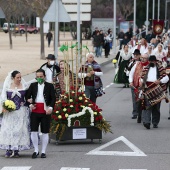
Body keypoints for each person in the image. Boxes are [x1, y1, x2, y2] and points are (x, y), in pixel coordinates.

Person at [25, 69, 56, 158]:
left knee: (45, 131)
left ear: (44, 76)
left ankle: (43, 151)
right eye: (37, 77)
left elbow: (53, 98)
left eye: (41, 77)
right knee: (34, 131)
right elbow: (27, 97)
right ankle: (36, 150)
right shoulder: (33, 85)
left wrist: (50, 107)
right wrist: (30, 104)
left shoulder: (49, 86)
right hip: (35, 110)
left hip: (45, 110)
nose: (39, 78)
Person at [0, 70, 31, 158]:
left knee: (19, 130)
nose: (19, 79)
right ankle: (9, 149)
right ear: (13, 78)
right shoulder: (7, 86)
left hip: (21, 111)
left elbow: (27, 97)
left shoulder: (24, 85)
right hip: (10, 112)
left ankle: (16, 149)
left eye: (20, 77)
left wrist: (28, 101)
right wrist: (5, 106)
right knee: (9, 129)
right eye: (17, 77)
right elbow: (3, 98)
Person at [140, 55, 169, 129]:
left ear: (155, 61)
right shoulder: (145, 68)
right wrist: (143, 83)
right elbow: (141, 78)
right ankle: (147, 122)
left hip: (157, 89)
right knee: (147, 106)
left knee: (156, 107)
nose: (151, 62)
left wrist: (160, 81)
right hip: (148, 89)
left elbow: (166, 78)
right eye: (150, 61)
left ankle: (155, 122)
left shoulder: (160, 68)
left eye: (153, 61)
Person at [128, 50, 149, 121]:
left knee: (144, 101)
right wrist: (131, 82)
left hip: (146, 87)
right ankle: (136, 113)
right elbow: (131, 74)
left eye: (144, 58)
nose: (142, 59)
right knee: (136, 101)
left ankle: (143, 116)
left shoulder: (149, 66)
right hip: (135, 86)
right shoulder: (136, 64)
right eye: (142, 57)